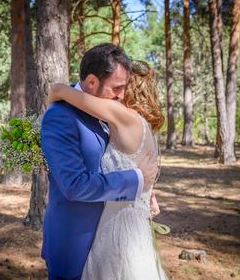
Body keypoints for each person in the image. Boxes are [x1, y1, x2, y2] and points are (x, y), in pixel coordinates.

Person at [40, 43, 159, 280]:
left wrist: (146, 191)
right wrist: (135, 180)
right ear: (92, 82)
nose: (122, 95)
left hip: (115, 240)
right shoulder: (60, 116)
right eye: (117, 88)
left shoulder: (111, 112)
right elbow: (74, 185)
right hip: (75, 243)